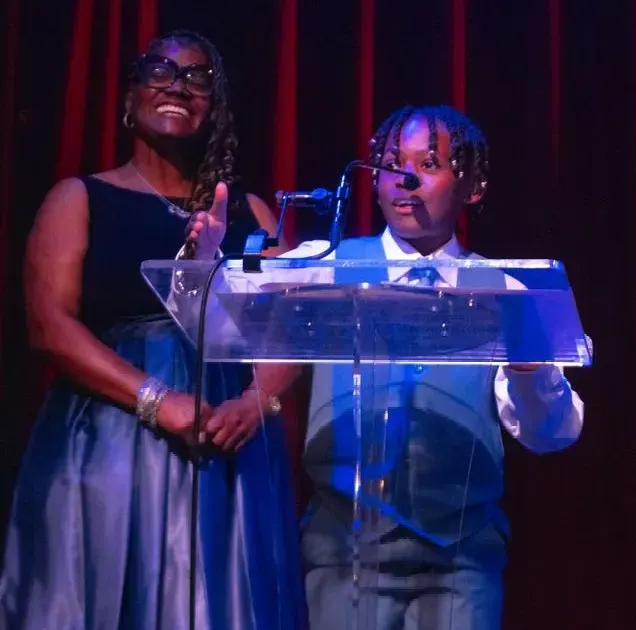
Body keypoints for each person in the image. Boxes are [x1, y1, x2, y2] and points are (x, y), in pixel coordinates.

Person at [191, 104, 587, 630]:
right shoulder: (325, 265)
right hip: (342, 556)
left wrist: (528, 366)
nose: (404, 178)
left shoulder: (499, 290)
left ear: (472, 186)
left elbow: (553, 432)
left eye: (428, 164)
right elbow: (230, 312)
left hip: (460, 563)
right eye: (390, 163)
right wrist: (208, 263)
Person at [0, 30, 305, 629]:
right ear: (128, 98)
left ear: (214, 108)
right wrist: (155, 400)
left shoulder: (253, 212)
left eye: (197, 78)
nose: (177, 84)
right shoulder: (81, 197)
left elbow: (291, 327)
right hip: (110, 442)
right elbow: (49, 327)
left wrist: (257, 400)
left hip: (229, 441)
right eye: (159, 71)